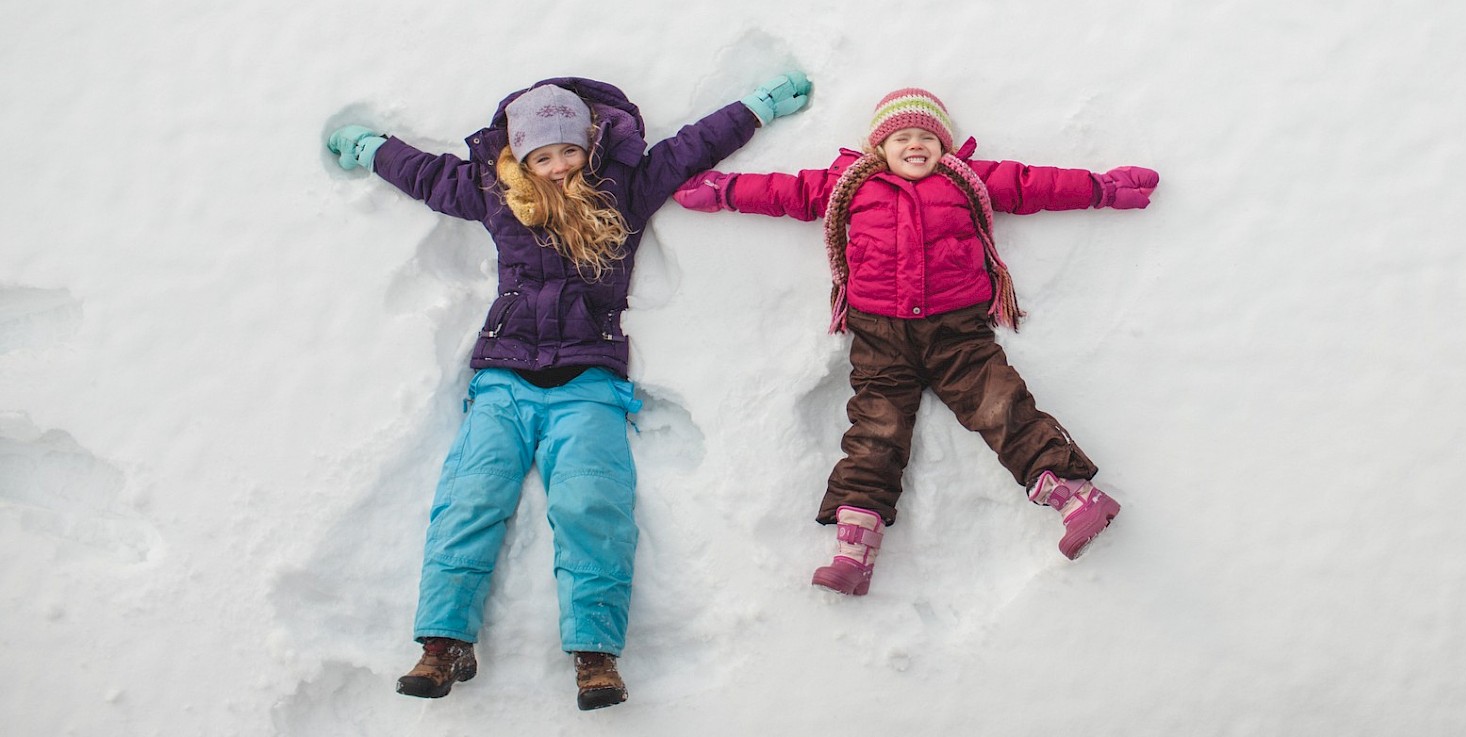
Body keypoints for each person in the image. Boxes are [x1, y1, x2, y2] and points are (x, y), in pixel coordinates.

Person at [323, 73, 810, 710]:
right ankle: (441, 643)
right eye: (542, 156)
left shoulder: (625, 187)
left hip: (590, 381)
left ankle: (595, 655)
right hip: (503, 376)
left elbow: (693, 147)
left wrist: (757, 107)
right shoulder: (495, 191)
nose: (557, 167)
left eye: (569, 151)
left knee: (592, 505)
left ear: (590, 144)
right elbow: (429, 176)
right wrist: (373, 149)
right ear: (520, 156)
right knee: (470, 498)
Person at [672, 87, 1157, 596]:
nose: (915, 145)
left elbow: (1036, 185)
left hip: (957, 331)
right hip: (879, 337)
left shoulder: (968, 179)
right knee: (876, 431)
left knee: (1002, 407)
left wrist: (1103, 188)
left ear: (943, 145)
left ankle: (1078, 499)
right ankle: (854, 549)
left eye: (927, 136)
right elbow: (783, 192)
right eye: (901, 136)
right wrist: (724, 191)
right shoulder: (847, 183)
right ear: (878, 147)